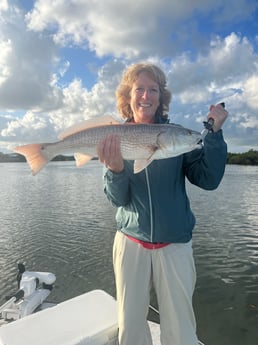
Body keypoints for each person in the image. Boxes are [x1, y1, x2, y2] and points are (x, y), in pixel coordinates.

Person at [97, 62, 228, 345]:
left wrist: (214, 136)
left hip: (175, 243)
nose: (146, 96)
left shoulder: (176, 136)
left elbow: (208, 179)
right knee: (130, 328)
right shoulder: (113, 138)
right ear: (127, 96)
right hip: (130, 242)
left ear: (161, 96)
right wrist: (116, 169)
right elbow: (118, 200)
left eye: (153, 89)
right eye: (139, 89)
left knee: (181, 330)